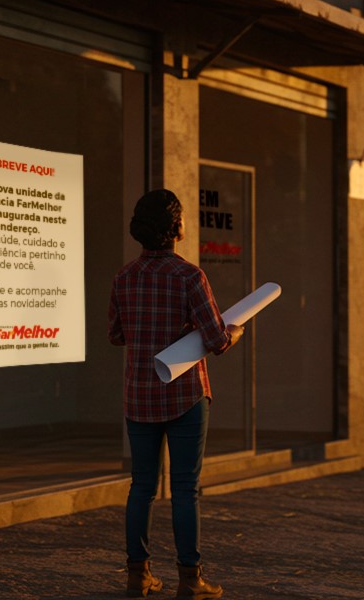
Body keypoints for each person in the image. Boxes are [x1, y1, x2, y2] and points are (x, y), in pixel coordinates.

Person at [109, 188, 242, 599]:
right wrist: (233, 332)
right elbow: (217, 340)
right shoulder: (190, 276)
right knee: (185, 488)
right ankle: (190, 579)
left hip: (139, 397)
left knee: (141, 487)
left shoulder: (124, 277)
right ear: (175, 227)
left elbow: (116, 336)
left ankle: (138, 575)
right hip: (185, 396)